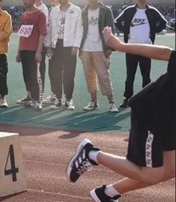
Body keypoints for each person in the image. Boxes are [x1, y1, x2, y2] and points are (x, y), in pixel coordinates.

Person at [67, 26, 175, 202]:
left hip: (170, 120)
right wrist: (120, 45)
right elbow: (165, 53)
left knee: (171, 170)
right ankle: (91, 154)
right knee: (152, 175)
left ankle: (106, 194)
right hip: (152, 113)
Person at [114, 0, 167, 108]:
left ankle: (146, 99)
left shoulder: (152, 11)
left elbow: (164, 23)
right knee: (130, 75)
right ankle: (127, 98)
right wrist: (125, 31)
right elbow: (117, 21)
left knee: (146, 75)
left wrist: (152, 32)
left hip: (147, 48)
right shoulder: (129, 10)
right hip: (131, 47)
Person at [79, 0, 118, 113]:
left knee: (103, 75)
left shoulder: (106, 10)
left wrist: (109, 47)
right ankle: (93, 101)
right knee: (89, 76)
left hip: (100, 48)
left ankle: (111, 103)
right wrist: (79, 48)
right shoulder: (84, 11)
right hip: (85, 48)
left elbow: (111, 29)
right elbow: (80, 30)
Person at [45, 0, 82, 110]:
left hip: (69, 45)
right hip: (56, 45)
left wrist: (76, 46)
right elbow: (50, 29)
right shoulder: (54, 11)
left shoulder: (76, 10)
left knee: (69, 73)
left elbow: (79, 29)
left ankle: (68, 99)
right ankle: (58, 99)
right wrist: (49, 45)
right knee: (55, 73)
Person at [15, 0, 46, 111]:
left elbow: (42, 34)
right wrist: (18, 51)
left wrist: (39, 51)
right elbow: (22, 34)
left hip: (34, 50)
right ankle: (31, 98)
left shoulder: (40, 15)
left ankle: (38, 100)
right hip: (24, 50)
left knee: (35, 76)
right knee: (26, 75)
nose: (25, 1)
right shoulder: (24, 15)